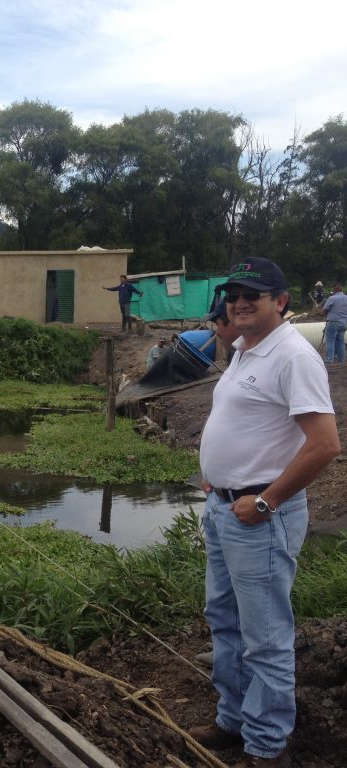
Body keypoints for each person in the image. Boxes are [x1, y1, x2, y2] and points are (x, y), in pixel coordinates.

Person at [190, 257, 340, 768]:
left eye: (252, 294)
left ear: (281, 301)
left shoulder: (293, 356)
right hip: (223, 506)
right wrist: (216, 471)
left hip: (259, 516)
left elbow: (324, 445)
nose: (239, 302)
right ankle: (233, 719)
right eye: (233, 294)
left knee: (266, 638)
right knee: (225, 621)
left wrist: (265, 500)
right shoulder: (244, 349)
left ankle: (267, 744)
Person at [320, 282, 347, 363]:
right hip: (344, 322)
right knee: (341, 341)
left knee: (330, 340)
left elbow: (324, 310)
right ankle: (341, 359)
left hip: (333, 322)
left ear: (334, 290)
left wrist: (323, 313)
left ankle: (329, 358)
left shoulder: (332, 298)